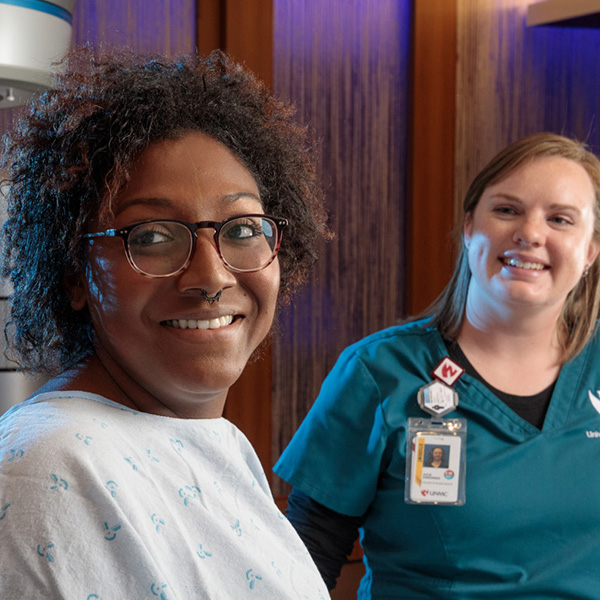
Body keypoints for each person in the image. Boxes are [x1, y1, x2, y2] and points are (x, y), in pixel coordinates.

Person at [0, 47, 331, 599]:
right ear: (74, 275)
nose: (210, 276)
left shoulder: (208, 440)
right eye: (151, 236)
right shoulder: (50, 470)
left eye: (244, 229)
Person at [275, 132, 600, 599]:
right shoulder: (379, 372)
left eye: (560, 219)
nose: (530, 232)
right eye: (507, 210)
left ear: (589, 251)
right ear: (469, 227)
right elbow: (308, 556)